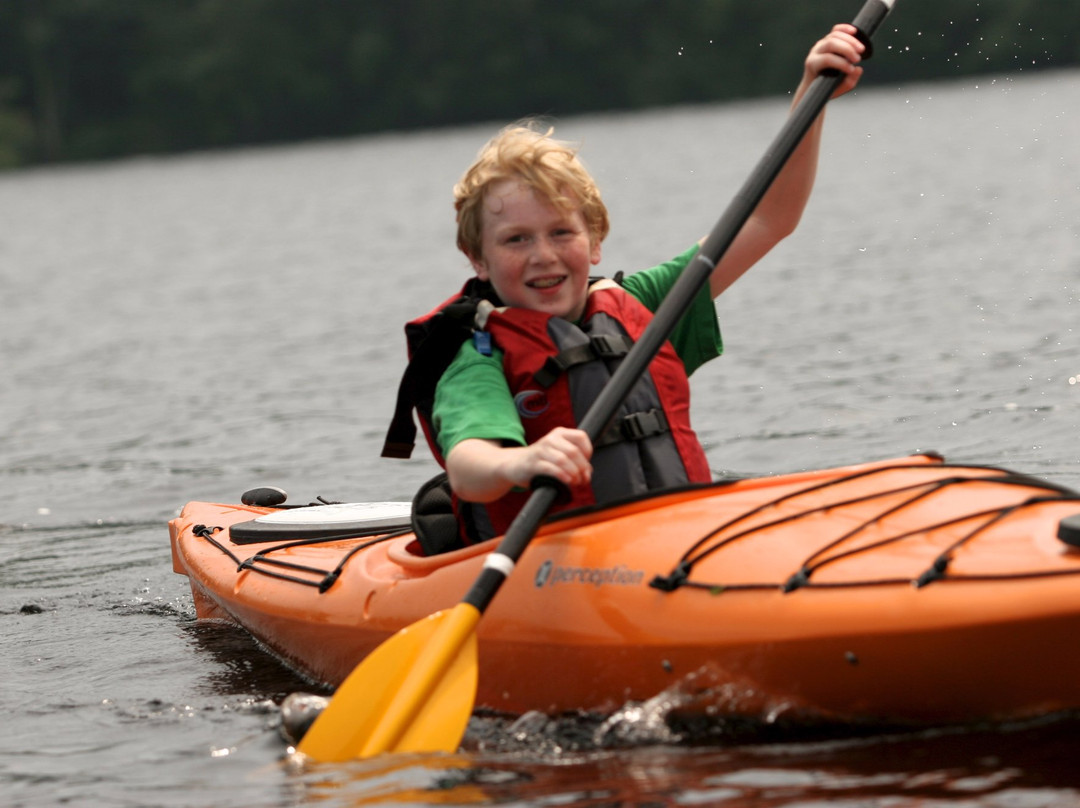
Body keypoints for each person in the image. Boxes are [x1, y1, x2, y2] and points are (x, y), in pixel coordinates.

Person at [386, 24, 866, 550]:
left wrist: (810, 99)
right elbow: (469, 466)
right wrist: (522, 460)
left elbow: (769, 219)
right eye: (516, 239)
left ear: (594, 244)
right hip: (550, 568)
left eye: (561, 232)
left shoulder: (640, 304)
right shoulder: (476, 354)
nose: (543, 255)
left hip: (671, 541)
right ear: (478, 259)